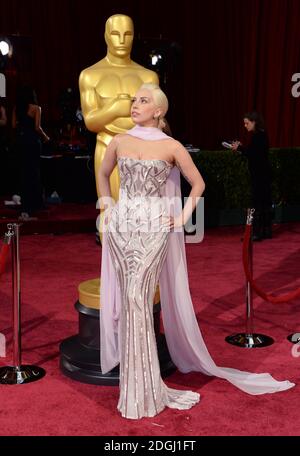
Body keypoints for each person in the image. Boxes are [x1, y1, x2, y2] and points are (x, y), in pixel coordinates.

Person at [98, 84, 294, 419]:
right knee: (133, 303)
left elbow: (198, 183)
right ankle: (136, 388)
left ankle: (144, 388)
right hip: (122, 229)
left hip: (155, 230)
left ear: (159, 109)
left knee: (136, 297)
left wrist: (181, 217)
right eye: (134, 100)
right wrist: (105, 208)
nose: (135, 104)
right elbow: (103, 173)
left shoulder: (172, 146)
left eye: (143, 100)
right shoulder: (119, 140)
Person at [79, 14, 159, 202]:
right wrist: (115, 108)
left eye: (127, 34)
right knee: (110, 210)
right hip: (107, 145)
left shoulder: (148, 76)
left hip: (143, 148)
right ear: (106, 36)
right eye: (115, 34)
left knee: (142, 211)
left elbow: (157, 118)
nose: (122, 40)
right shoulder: (90, 75)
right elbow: (90, 121)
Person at [231, 112, 272, 240]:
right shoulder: (261, 135)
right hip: (262, 175)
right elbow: (254, 153)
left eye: (247, 123)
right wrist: (242, 148)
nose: (245, 125)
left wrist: (239, 148)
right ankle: (264, 232)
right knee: (263, 203)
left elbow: (253, 155)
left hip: (260, 176)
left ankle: (257, 233)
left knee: (258, 203)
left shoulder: (258, 136)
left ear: (254, 122)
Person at [12, 86, 49, 220]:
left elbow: (14, 126)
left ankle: (25, 203)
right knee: (34, 171)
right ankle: (35, 203)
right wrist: (46, 137)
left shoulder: (17, 108)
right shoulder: (36, 108)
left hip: (21, 141)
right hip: (32, 141)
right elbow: (37, 127)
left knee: (23, 172)